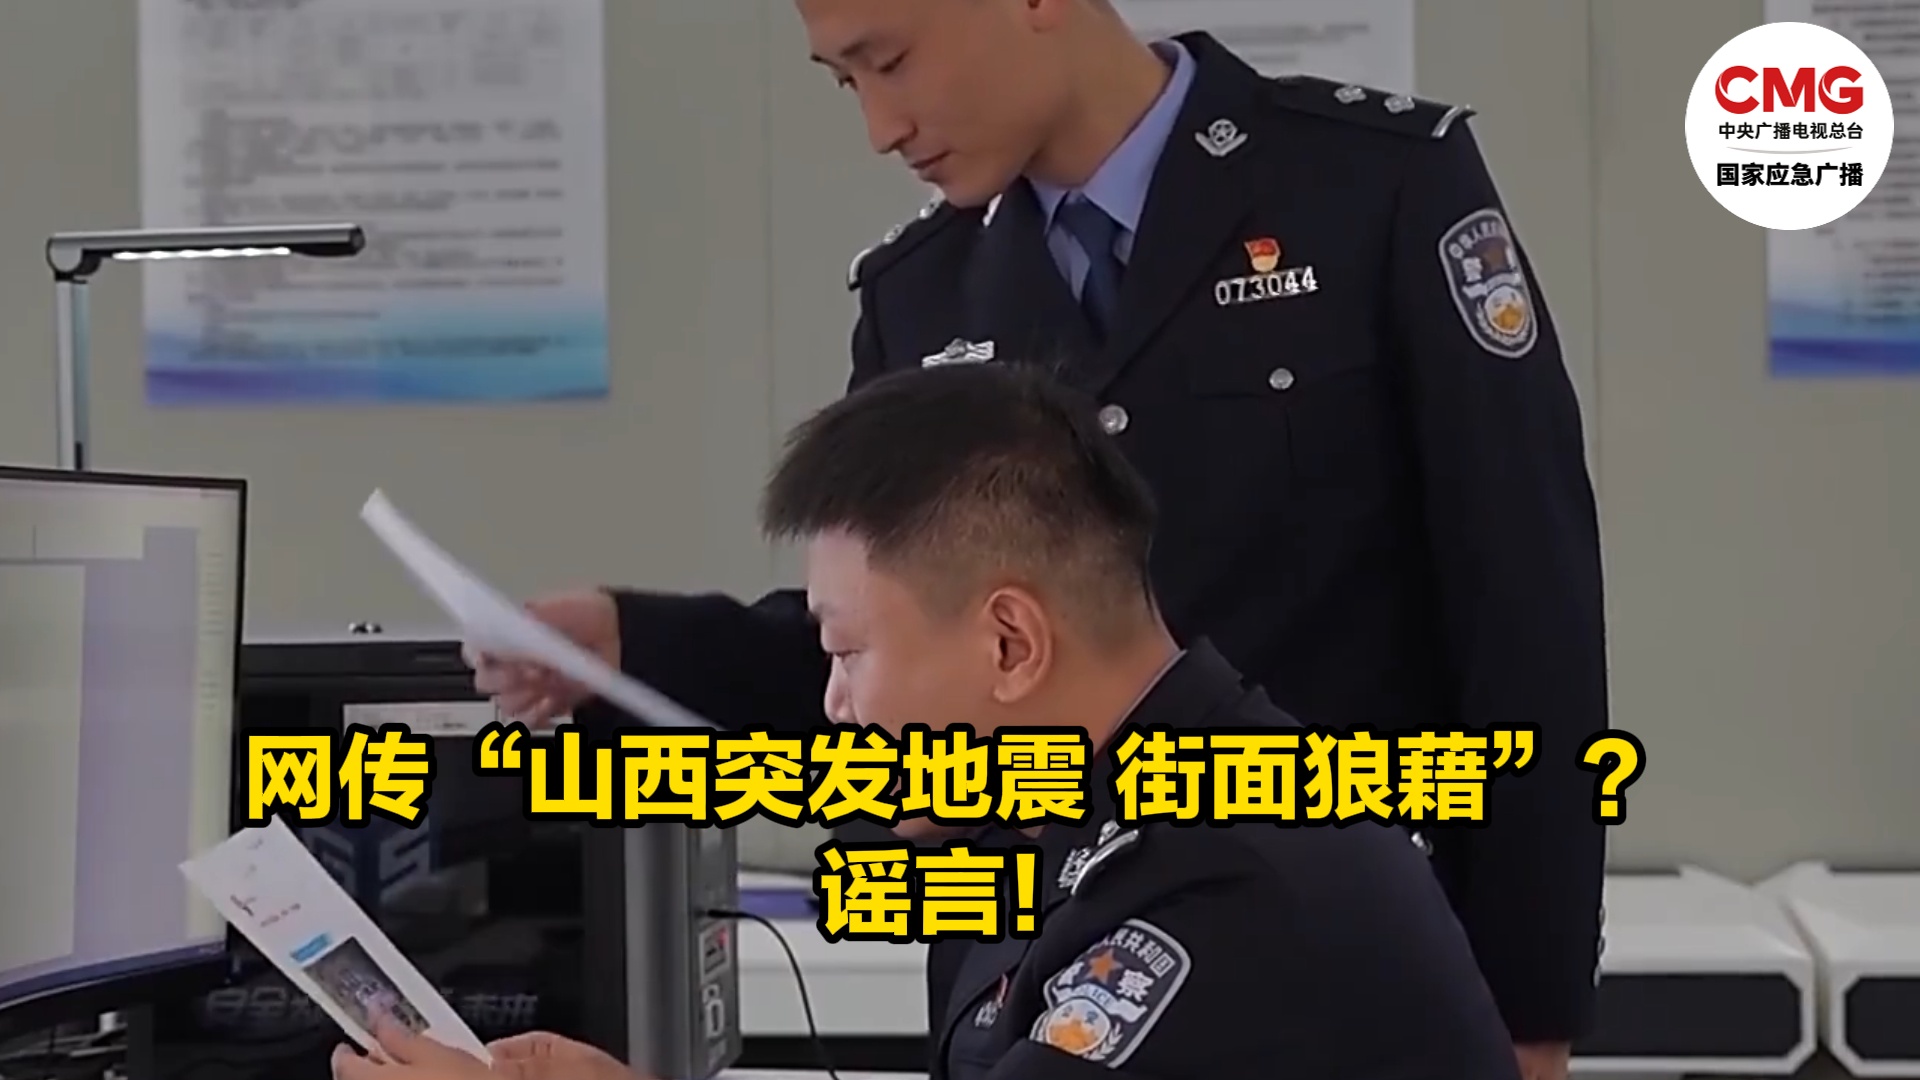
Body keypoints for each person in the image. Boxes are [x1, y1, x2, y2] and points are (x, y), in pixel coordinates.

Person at [474, 0, 1611, 1073]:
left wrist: (1530, 1000)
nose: (881, 127)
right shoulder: (921, 293)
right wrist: (633, 644)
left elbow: (1529, 611)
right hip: (1034, 969)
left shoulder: (1371, 187)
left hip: (1307, 957)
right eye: (845, 81)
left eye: (891, 60)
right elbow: (911, 631)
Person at [346, 362, 1525, 1080]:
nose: (834, 705)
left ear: (1010, 644)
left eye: (848, 650)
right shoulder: (1127, 810)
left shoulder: (1229, 888)